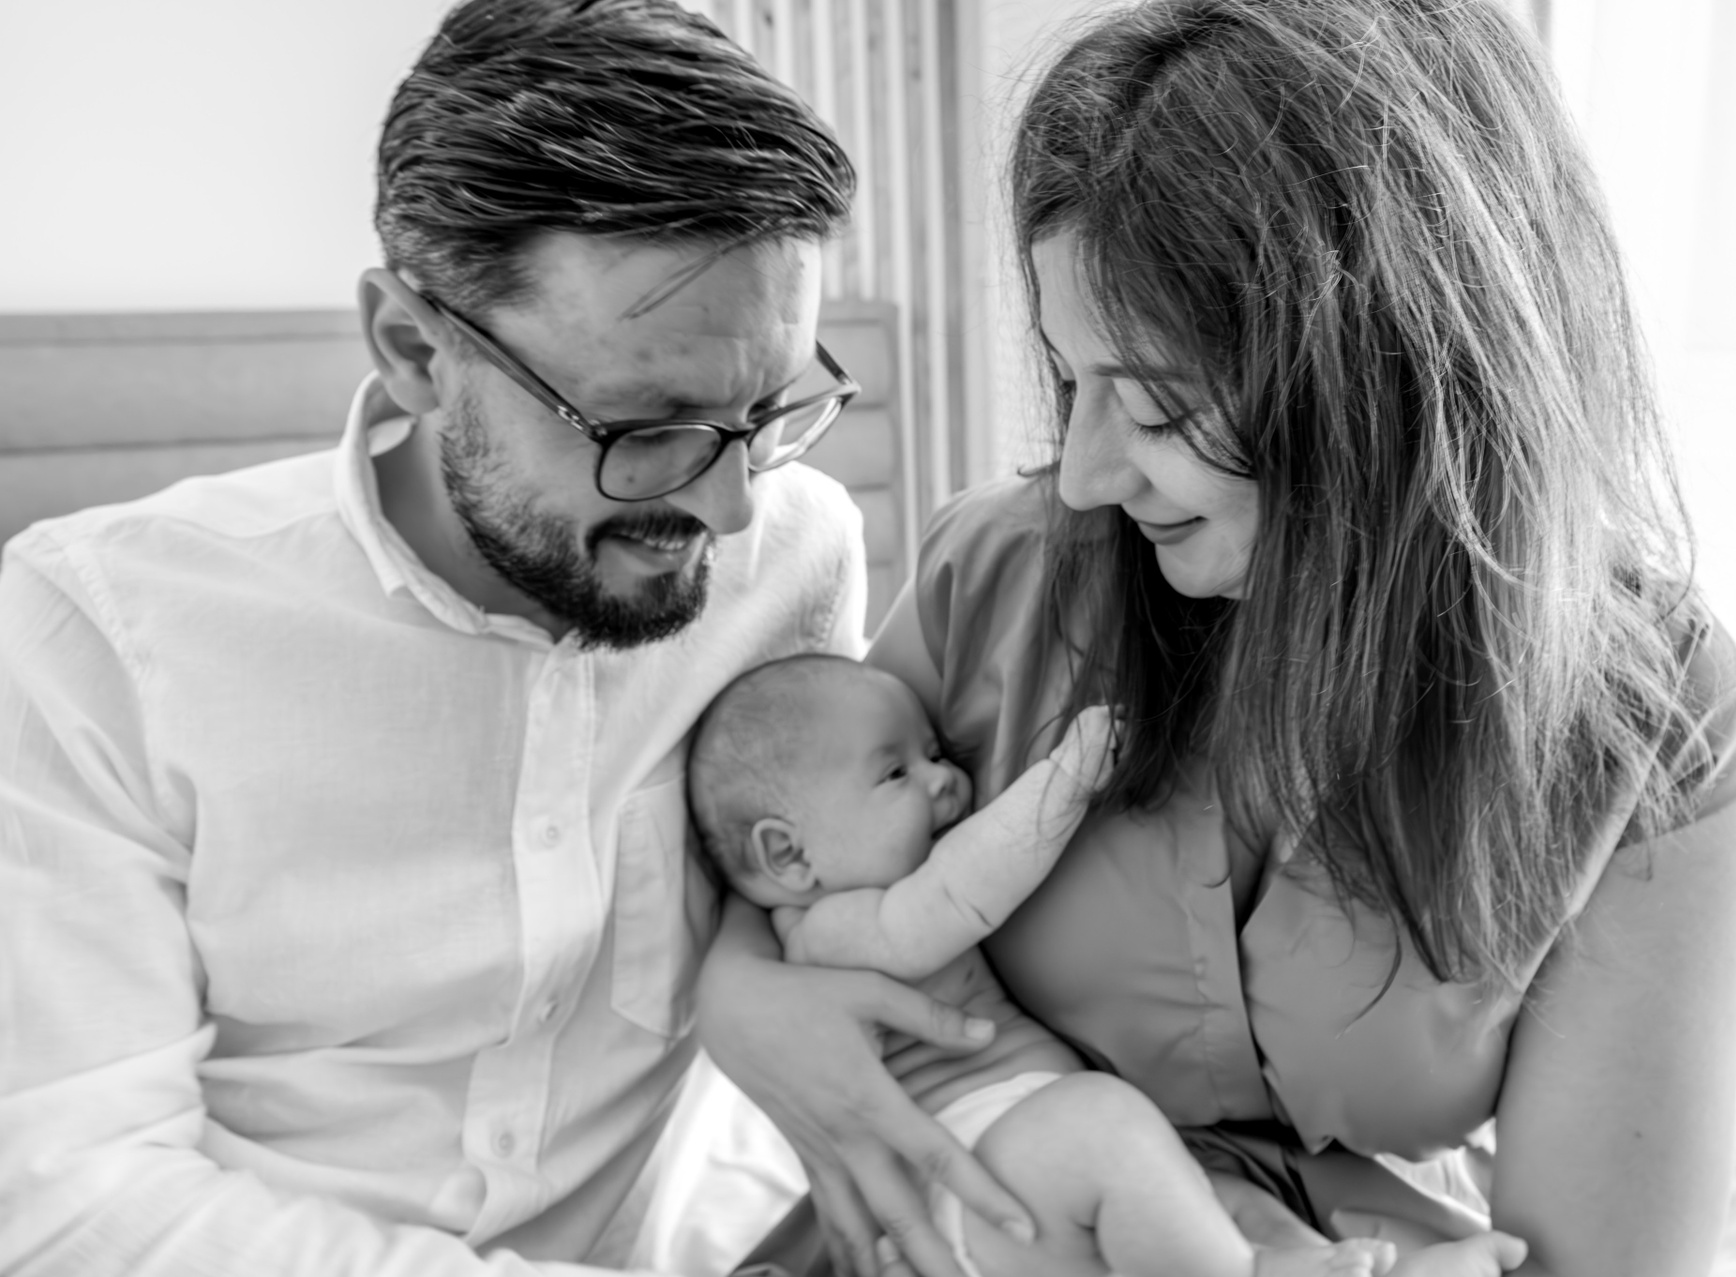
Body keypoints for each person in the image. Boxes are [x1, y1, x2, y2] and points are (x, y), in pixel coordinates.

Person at [695, 2, 1736, 1276]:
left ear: (1392, 380)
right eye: (1070, 381)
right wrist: (738, 1003)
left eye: (1158, 410)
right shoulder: (996, 572)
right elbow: (788, 867)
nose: (1086, 474)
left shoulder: (1649, 718)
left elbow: (1594, 1258)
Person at [0, 2, 1014, 1273]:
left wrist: (751, 978)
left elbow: (814, 873)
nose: (731, 507)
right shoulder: (94, 631)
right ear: (413, 348)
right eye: (645, 427)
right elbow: (71, 1200)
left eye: (766, 410)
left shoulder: (794, 552)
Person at [689, 654, 1519, 1277]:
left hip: (1021, 1173)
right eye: (896, 771)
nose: (945, 779)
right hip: (971, 1186)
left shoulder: (837, 903)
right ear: (787, 855)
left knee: (1210, 1193)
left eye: (936, 751)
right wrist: (1067, 775)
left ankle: (1304, 1261)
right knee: (1110, 1130)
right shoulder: (829, 934)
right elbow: (962, 891)